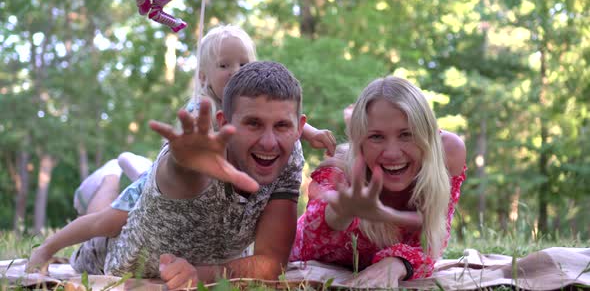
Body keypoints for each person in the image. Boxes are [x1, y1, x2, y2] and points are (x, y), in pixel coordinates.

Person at [26, 26, 335, 276]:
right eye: (224, 66)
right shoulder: (200, 108)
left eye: (243, 64)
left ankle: (129, 166)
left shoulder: (281, 135)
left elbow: (269, 262)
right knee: (104, 222)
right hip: (152, 200)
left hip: (202, 233)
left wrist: (310, 133)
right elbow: (183, 161)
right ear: (204, 77)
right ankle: (88, 200)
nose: (234, 71)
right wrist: (182, 163)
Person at [289, 76, 467, 288]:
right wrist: (344, 211)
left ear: (425, 133)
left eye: (406, 134)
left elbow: (432, 241)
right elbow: (312, 238)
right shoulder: (339, 170)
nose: (392, 153)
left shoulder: (447, 152)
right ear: (360, 140)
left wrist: (399, 263)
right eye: (376, 137)